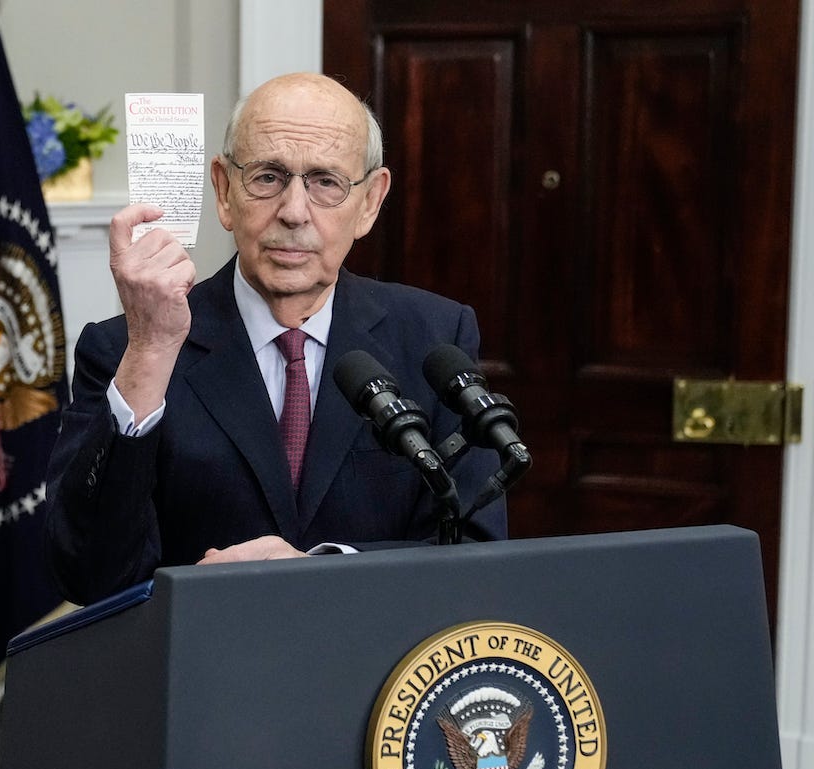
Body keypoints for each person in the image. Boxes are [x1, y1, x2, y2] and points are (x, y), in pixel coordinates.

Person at [46, 73, 506, 605]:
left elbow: (476, 549)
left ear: (371, 201)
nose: (292, 211)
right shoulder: (125, 348)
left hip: (379, 673)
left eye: (325, 182)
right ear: (223, 191)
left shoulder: (434, 339)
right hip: (199, 673)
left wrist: (322, 569)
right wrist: (151, 349)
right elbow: (86, 575)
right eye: (267, 177)